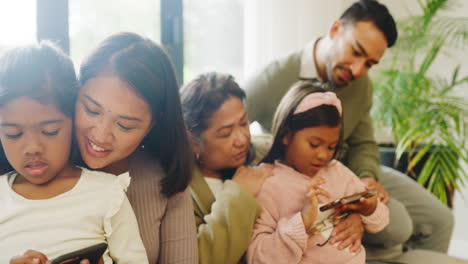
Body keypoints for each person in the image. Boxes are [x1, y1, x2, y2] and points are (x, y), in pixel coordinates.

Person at [243, 0, 454, 262]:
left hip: (347, 171)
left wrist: (366, 180)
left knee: (441, 219)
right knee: (400, 225)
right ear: (335, 30)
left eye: (369, 64)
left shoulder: (360, 84)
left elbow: (364, 143)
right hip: (306, 175)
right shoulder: (273, 78)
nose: (358, 70)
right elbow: (231, 128)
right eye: (356, 52)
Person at [0, 42, 148, 264]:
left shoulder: (107, 193)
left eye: (50, 131)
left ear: (74, 119)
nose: (32, 147)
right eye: (13, 134)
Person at [75, 32, 198, 264]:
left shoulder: (167, 179)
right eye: (91, 110)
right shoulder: (44, 164)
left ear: (153, 125)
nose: (101, 135)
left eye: (125, 125)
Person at [248, 81, 389, 264]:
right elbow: (258, 258)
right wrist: (302, 221)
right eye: (314, 144)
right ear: (286, 135)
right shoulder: (268, 185)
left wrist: (369, 209)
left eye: (331, 147)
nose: (323, 155)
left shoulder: (337, 170)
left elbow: (380, 221)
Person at [180, 72, 273, 264]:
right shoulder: (180, 192)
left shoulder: (267, 153)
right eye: (226, 133)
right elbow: (199, 258)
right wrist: (239, 195)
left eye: (244, 123)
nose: (242, 139)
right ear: (193, 142)